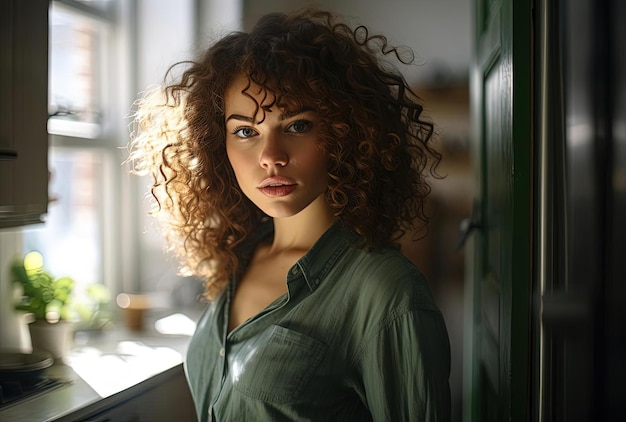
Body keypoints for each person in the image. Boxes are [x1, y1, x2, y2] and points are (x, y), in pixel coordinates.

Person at [129, 8, 451, 421]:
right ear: (216, 144)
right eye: (245, 131)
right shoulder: (239, 257)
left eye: (297, 126)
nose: (271, 157)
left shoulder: (387, 292)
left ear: (345, 132)